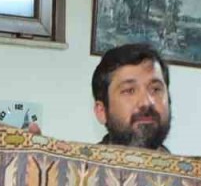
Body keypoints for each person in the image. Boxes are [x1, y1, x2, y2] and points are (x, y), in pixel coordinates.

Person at [28, 43, 171, 151]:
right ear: (102, 111)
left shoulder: (185, 178)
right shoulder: (78, 173)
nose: (146, 102)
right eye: (129, 91)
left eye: (155, 89)